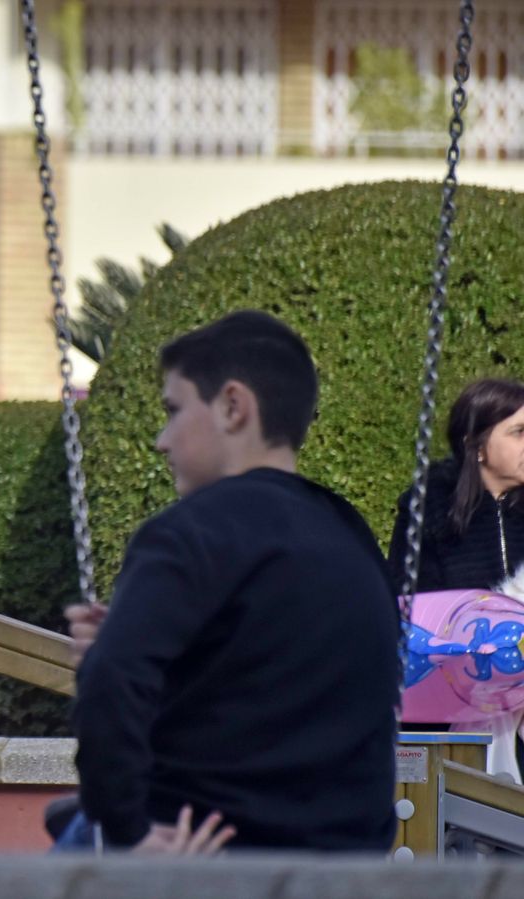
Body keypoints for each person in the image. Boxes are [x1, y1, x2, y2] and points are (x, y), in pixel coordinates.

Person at [61, 310, 400, 853]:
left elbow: (112, 685)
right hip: (339, 864)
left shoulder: (187, 534)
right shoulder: (349, 533)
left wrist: (129, 831)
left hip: (199, 853)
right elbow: (282, 687)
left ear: (233, 407)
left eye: (173, 411)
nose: (161, 440)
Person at [387, 377, 524, 780]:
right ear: (476, 444)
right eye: (518, 433)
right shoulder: (428, 510)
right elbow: (408, 614)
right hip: (447, 717)